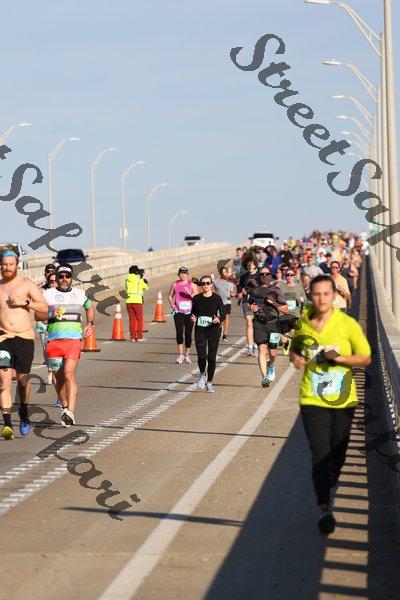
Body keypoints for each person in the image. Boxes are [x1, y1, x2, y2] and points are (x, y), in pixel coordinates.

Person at [290, 274, 371, 534]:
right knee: (319, 452)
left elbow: (366, 357)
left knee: (338, 451)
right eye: (316, 294)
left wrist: (340, 358)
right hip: (312, 398)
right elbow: (295, 350)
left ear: (334, 295)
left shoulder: (347, 324)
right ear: (310, 296)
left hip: (343, 399)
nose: (321, 298)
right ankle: (324, 508)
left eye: (326, 293)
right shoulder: (304, 322)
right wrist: (296, 358)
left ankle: (332, 478)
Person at [0, 249, 48, 439]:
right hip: (3, 338)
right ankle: (7, 424)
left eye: (11, 264)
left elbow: (44, 307)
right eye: (4, 264)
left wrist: (25, 303)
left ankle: (24, 411)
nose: (7, 267)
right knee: (3, 379)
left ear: (17, 265)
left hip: (24, 338)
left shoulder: (27, 285)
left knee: (22, 380)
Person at [41, 264, 94, 427]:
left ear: (72, 278)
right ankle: (64, 406)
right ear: (56, 278)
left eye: (67, 276)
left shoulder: (80, 294)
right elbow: (37, 314)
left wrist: (90, 323)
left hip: (73, 341)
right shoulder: (48, 294)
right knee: (58, 379)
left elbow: (89, 307)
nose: (64, 279)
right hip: (54, 342)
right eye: (61, 276)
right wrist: (50, 314)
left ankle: (70, 412)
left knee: (69, 374)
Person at [248, 272, 289, 387]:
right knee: (262, 350)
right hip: (259, 323)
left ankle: (270, 364)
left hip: (273, 323)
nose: (264, 277)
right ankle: (264, 377)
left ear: (270, 278)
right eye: (262, 275)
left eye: (266, 275)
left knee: (272, 352)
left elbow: (286, 309)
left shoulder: (276, 290)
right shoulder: (255, 291)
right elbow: (249, 304)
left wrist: (274, 303)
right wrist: (251, 308)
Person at [191, 275, 225, 393]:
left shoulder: (217, 298)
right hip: (200, 330)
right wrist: (193, 317)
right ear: (201, 285)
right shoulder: (196, 299)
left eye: (207, 283)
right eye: (203, 284)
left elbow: (223, 314)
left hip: (213, 330)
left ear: (211, 284)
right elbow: (193, 313)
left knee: (211, 357)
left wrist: (218, 319)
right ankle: (202, 374)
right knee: (201, 356)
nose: (205, 285)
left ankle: (209, 383)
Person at [168, 267, 196, 364]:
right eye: (181, 273)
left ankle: (187, 354)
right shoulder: (175, 284)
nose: (183, 275)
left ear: (187, 274)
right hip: (178, 312)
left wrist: (191, 295)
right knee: (179, 333)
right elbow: (169, 295)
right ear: (178, 274)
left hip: (189, 313)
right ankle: (181, 355)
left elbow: (197, 298)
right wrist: (172, 304)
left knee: (188, 334)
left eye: (184, 273)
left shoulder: (191, 284)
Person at [237, 256, 259, 357]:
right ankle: (250, 347)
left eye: (251, 265)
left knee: (256, 325)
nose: (250, 267)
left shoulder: (260, 275)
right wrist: (241, 293)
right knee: (249, 323)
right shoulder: (243, 277)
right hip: (246, 302)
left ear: (255, 265)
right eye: (248, 265)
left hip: (258, 302)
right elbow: (239, 290)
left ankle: (256, 346)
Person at [125, 265, 149, 341]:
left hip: (128, 301)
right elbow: (146, 287)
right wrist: (144, 280)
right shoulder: (139, 279)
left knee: (132, 319)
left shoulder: (127, 279)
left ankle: (132, 337)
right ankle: (139, 337)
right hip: (137, 301)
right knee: (139, 319)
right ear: (136, 272)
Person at [213, 266, 235, 341]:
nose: (224, 273)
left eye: (225, 272)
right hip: (218, 303)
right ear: (220, 273)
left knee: (226, 318)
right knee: (219, 318)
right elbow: (212, 291)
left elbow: (232, 292)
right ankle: (220, 327)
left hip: (227, 302)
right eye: (222, 272)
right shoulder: (215, 281)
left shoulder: (230, 283)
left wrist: (233, 294)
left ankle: (225, 335)